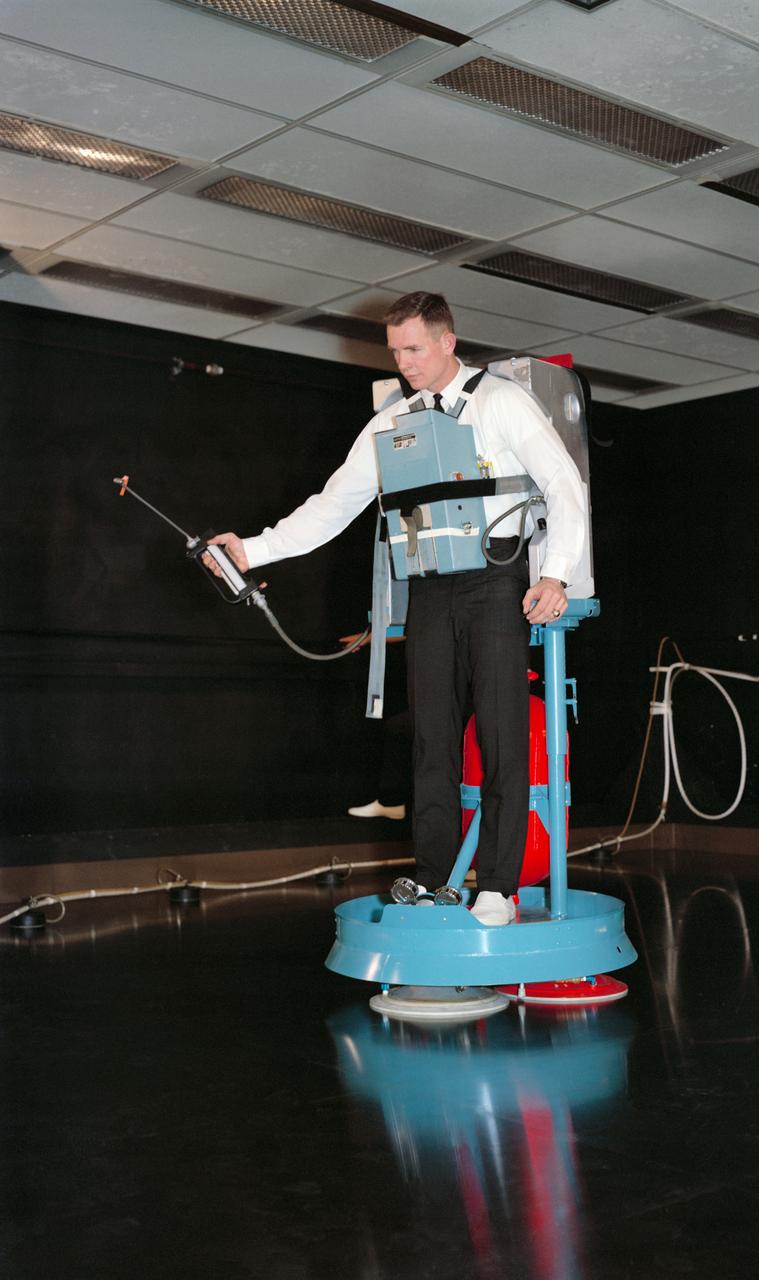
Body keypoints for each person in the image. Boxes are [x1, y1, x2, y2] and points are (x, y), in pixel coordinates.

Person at [208, 292, 587, 925]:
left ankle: (499, 885)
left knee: (501, 735)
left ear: (447, 341)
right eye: (395, 352)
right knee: (429, 740)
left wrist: (557, 576)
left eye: (414, 348)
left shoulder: (500, 401)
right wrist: (252, 550)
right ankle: (434, 877)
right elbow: (334, 505)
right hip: (431, 589)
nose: (404, 362)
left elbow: (564, 483)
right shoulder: (391, 423)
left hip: (497, 584)